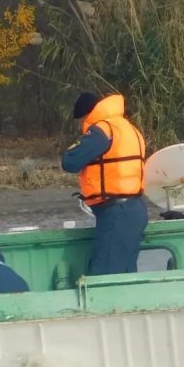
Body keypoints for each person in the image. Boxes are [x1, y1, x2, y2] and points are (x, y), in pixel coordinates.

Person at [61, 91, 148, 275]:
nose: (80, 126)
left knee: (104, 276)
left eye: (80, 121)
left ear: (85, 115)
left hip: (116, 213)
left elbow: (70, 161)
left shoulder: (101, 130)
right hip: (134, 208)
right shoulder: (129, 128)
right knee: (125, 272)